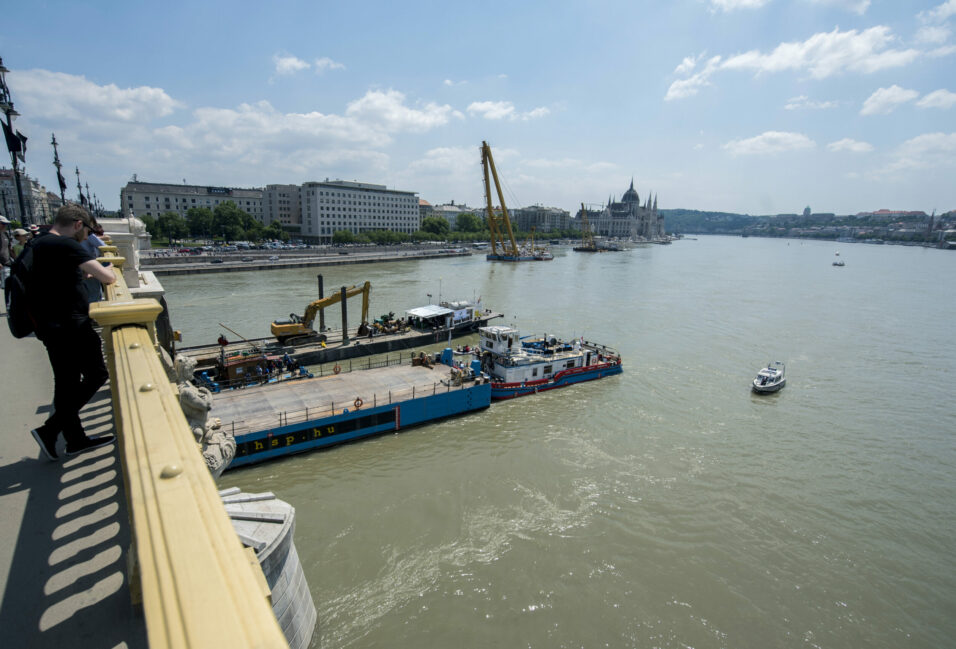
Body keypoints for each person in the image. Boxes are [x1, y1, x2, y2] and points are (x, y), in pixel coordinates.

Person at [28, 204, 118, 461]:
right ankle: (50, 429)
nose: (87, 235)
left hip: (49, 325)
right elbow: (108, 277)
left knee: (66, 383)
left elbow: (59, 278)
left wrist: (82, 275)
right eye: (87, 229)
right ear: (78, 224)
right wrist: (108, 269)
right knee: (97, 375)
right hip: (71, 325)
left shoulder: (39, 243)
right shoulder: (66, 245)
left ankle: (75, 439)